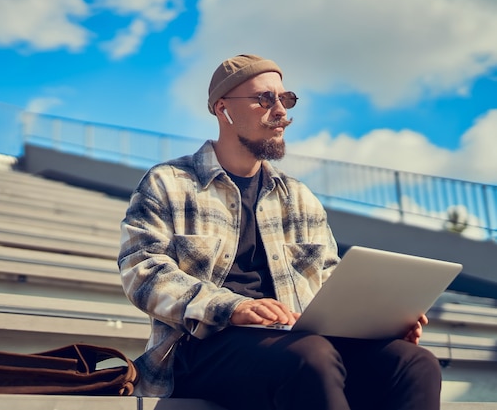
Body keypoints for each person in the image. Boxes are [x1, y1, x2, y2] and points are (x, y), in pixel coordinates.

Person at [118, 54, 442, 410]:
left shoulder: (300, 198)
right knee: (309, 356)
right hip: (202, 347)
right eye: (264, 98)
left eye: (285, 99)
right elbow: (143, 272)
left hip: (299, 342)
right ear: (222, 108)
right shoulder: (169, 182)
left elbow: (331, 279)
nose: (281, 111)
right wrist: (232, 307)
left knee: (414, 363)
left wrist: (379, 321)